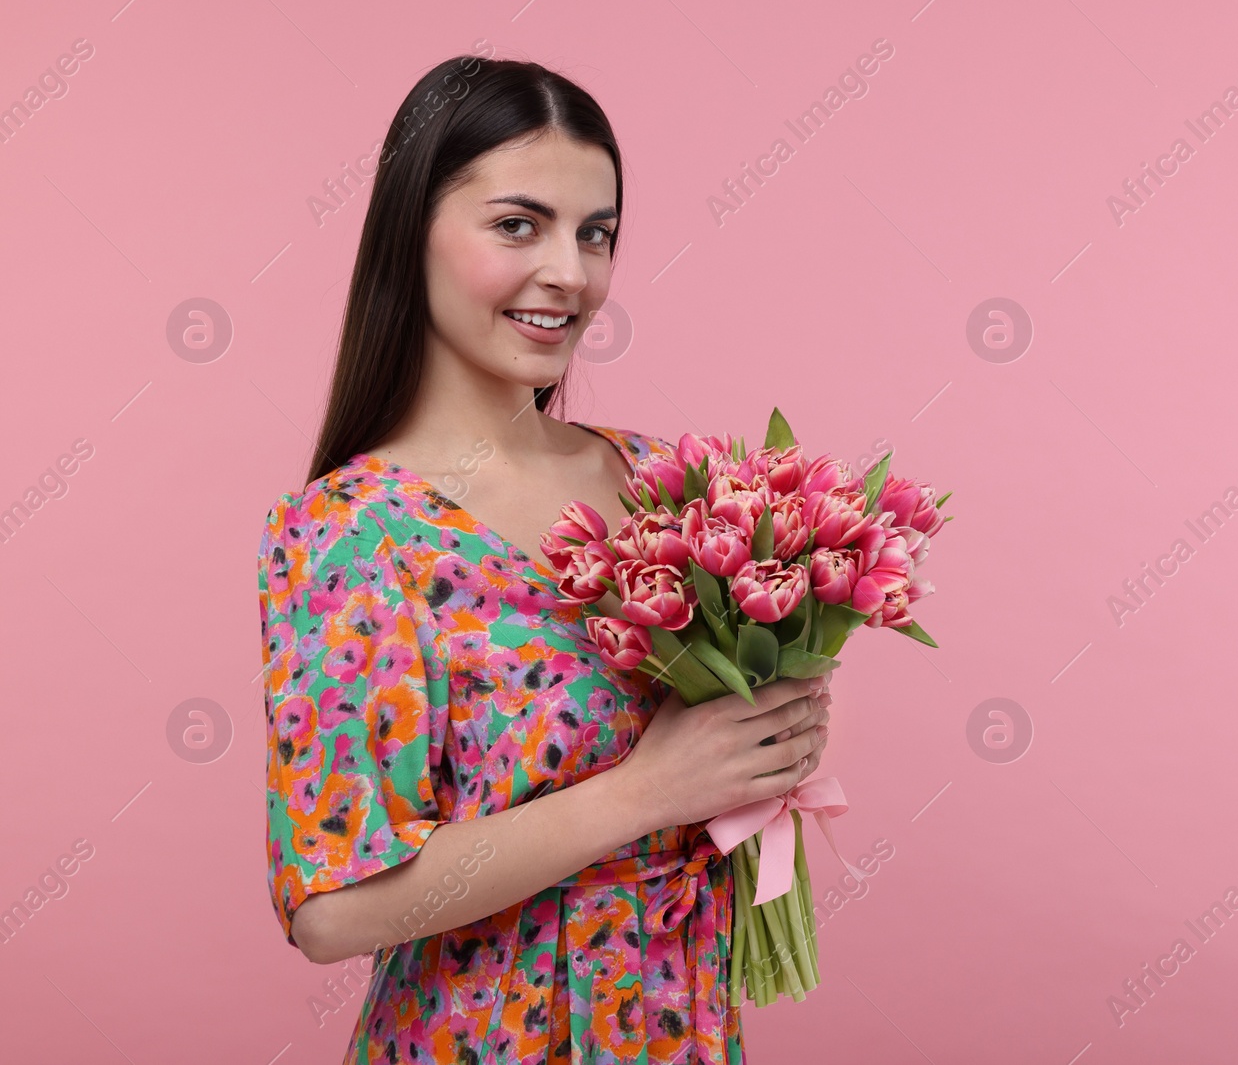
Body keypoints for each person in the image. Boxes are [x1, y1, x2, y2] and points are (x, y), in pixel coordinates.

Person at [257, 53, 832, 1064]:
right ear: (412, 232)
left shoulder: (671, 486)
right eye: (517, 224)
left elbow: (722, 771)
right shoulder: (354, 534)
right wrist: (644, 792)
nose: (570, 272)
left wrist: (769, 736)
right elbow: (332, 909)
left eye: (595, 233)